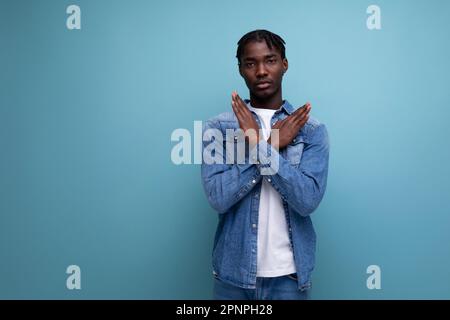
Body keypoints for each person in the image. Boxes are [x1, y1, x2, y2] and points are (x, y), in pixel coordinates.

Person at [201, 29, 329, 300]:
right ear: (240, 69)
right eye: (251, 63)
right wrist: (269, 146)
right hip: (232, 278)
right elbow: (218, 197)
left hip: (289, 280)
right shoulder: (218, 129)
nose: (261, 70)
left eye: (270, 60)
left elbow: (307, 201)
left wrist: (258, 146)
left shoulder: (312, 131)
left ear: (284, 64)